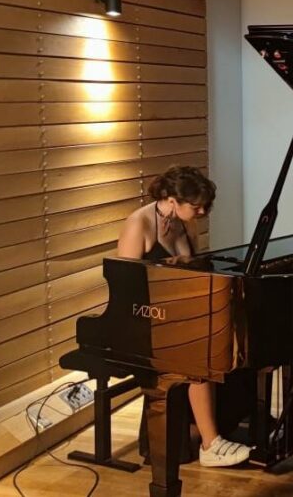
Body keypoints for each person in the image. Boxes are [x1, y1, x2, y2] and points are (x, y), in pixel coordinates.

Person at [116, 165, 251, 468]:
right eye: (196, 206)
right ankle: (211, 444)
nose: (202, 211)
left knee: (235, 340)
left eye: (206, 205)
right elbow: (127, 289)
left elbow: (195, 273)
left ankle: (230, 420)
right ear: (172, 200)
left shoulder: (185, 223)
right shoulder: (139, 224)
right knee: (199, 354)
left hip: (178, 316)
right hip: (146, 321)